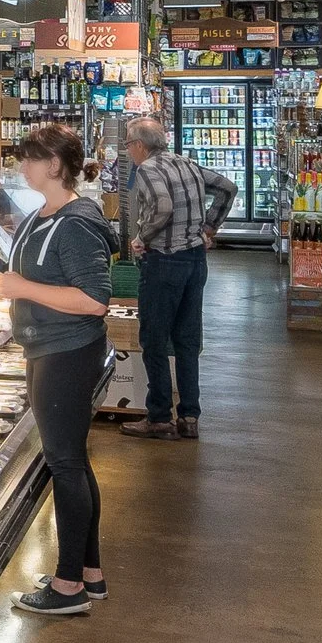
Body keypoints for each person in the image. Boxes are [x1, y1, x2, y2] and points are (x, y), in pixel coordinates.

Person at [0, 123, 117, 617]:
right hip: (46, 347)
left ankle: (67, 589)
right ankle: (88, 572)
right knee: (73, 461)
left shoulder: (77, 222)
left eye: (29, 159)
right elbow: (10, 276)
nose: (22, 167)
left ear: (55, 166)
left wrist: (26, 291)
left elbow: (94, 300)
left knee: (64, 464)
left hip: (68, 351)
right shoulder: (41, 215)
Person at [117, 116, 237, 440]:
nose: (129, 151)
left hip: (164, 263)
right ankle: (189, 417)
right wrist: (210, 227)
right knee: (187, 341)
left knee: (154, 340)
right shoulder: (188, 164)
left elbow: (163, 206)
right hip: (196, 260)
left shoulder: (147, 169)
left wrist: (142, 236)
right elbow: (228, 188)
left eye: (128, 145)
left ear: (139, 145)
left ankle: (158, 418)